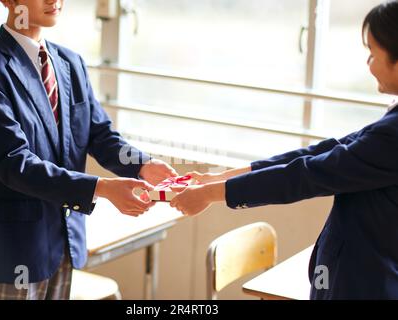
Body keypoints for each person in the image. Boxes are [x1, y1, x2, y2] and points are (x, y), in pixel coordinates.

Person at [170, 1, 398, 299]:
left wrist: (210, 195)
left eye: (372, 53)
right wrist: (219, 179)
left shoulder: (392, 135)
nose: (368, 64)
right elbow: (328, 151)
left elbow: (310, 175)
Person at [0, 0, 176, 300]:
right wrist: (102, 188)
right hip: (15, 250)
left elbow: (99, 134)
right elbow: (16, 164)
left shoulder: (70, 63)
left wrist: (143, 165)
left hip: (65, 241)